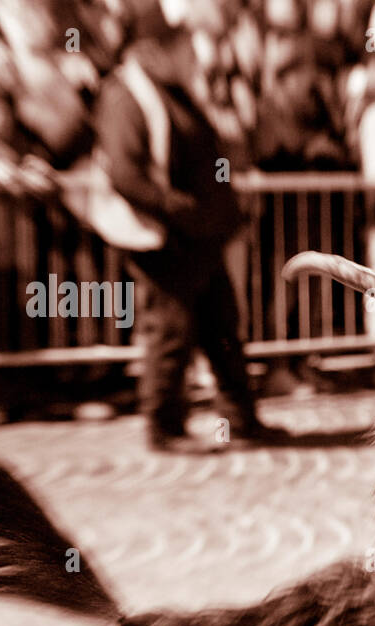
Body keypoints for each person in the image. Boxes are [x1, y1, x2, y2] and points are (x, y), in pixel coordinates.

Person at [93, 1, 287, 452]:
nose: (187, 51)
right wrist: (177, 209)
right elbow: (125, 172)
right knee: (170, 335)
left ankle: (242, 420)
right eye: (176, 44)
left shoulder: (172, 90)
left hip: (200, 238)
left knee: (222, 331)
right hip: (167, 240)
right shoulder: (125, 95)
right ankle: (164, 427)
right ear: (148, 50)